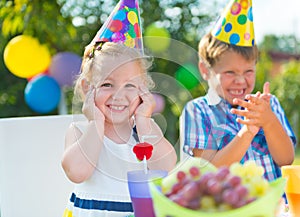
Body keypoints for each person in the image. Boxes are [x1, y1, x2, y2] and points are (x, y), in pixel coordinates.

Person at [180, 0, 296, 182]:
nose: (240, 80)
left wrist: (269, 121)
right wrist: (247, 132)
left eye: (248, 71)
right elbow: (208, 172)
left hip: (273, 207)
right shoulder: (198, 111)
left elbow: (286, 159)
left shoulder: (268, 104)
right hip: (228, 209)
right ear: (205, 70)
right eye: (230, 72)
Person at [61, 41, 177, 217]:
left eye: (130, 86)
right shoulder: (80, 130)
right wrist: (96, 123)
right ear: (87, 88)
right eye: (107, 84)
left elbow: (165, 167)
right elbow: (77, 172)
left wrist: (144, 121)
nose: (118, 95)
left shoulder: (145, 130)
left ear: (143, 91)